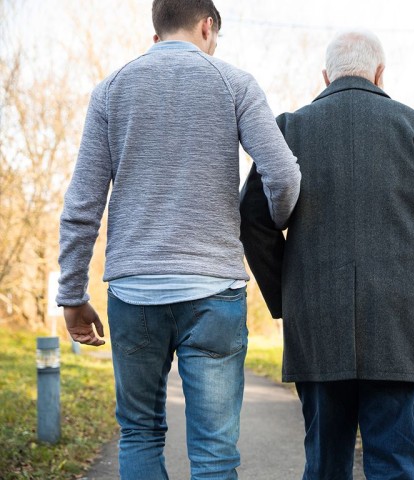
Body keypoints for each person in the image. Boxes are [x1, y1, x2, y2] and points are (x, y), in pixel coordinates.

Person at [56, 0, 301, 478]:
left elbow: (82, 205)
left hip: (134, 290)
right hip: (214, 292)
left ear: (156, 36)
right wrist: (275, 225)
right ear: (208, 28)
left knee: (141, 433)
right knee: (214, 452)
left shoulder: (111, 90)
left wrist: (72, 295)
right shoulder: (235, 83)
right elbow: (284, 176)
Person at [240, 30, 414, 479]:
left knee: (325, 465)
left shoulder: (289, 130)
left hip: (317, 324)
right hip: (401, 327)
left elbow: (253, 221)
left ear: (325, 76)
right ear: (380, 73)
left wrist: (289, 299)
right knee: (400, 465)